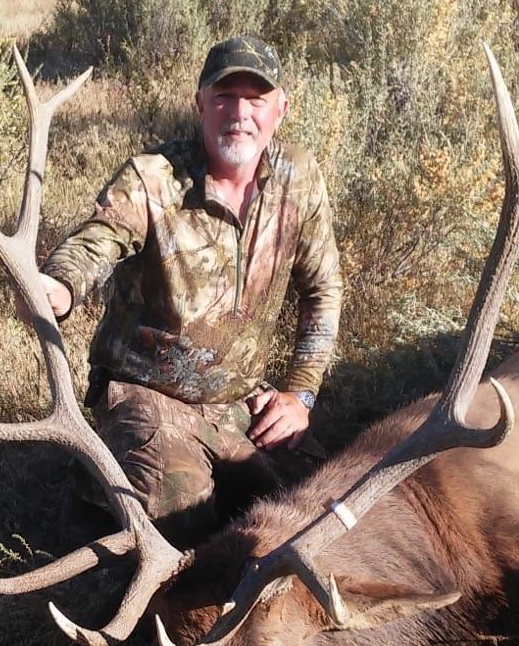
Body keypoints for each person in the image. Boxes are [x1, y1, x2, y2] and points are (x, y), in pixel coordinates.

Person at [36, 34, 343, 539]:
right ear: (200, 103)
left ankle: (127, 493)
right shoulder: (153, 179)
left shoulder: (299, 178)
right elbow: (95, 241)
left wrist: (299, 395)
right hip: (148, 395)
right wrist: (60, 286)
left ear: (281, 109)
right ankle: (105, 491)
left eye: (256, 99)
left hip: (240, 402)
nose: (239, 113)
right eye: (224, 97)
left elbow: (322, 291)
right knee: (182, 514)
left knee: (321, 508)